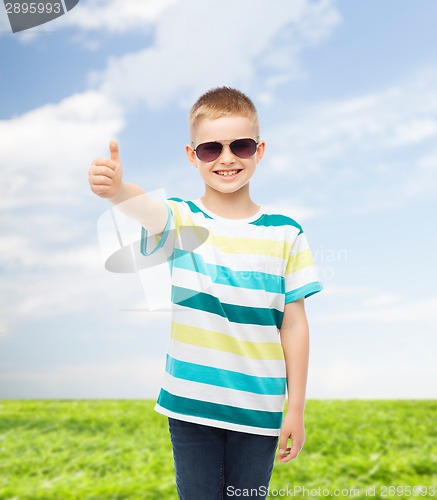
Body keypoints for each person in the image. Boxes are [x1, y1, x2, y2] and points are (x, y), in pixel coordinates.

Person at [88, 87, 323, 499]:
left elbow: (295, 323)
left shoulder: (286, 232)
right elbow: (147, 208)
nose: (227, 158)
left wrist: (296, 407)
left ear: (260, 150)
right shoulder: (182, 219)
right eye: (211, 148)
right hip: (190, 405)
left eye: (241, 145)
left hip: (260, 409)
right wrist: (118, 190)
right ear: (192, 155)